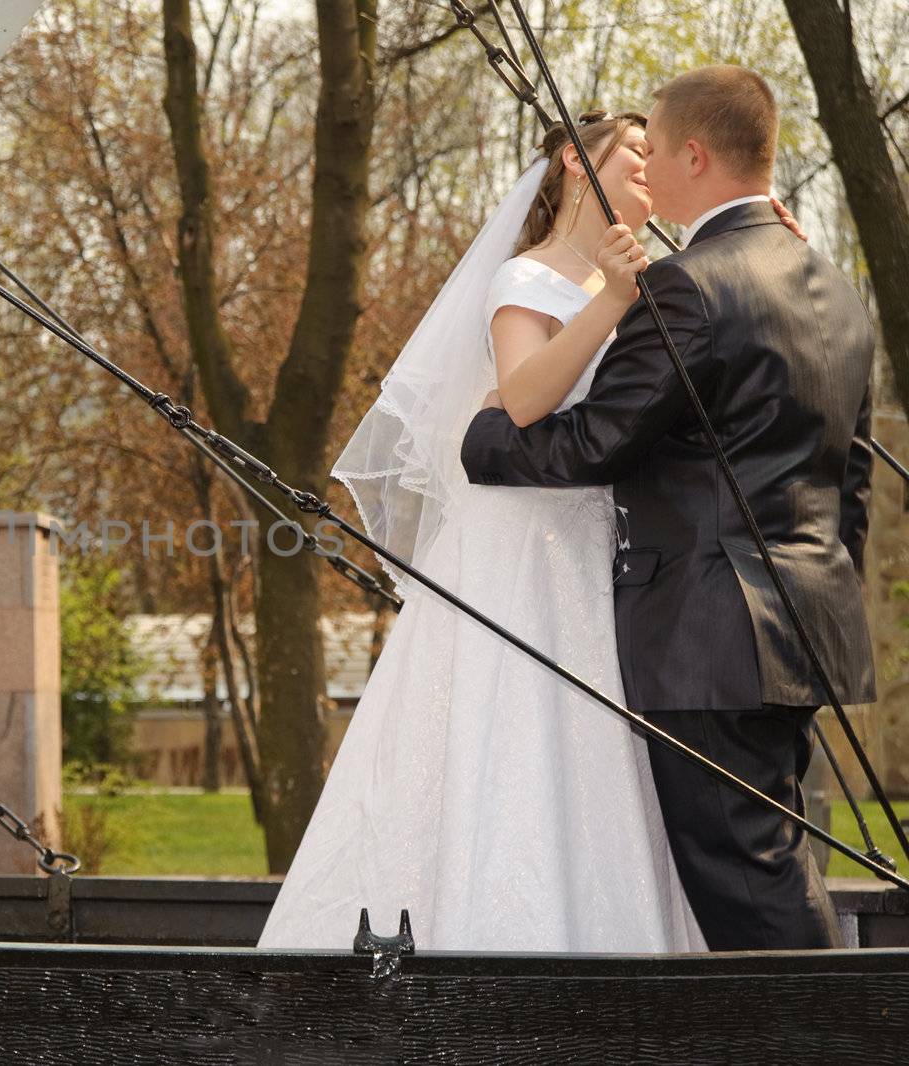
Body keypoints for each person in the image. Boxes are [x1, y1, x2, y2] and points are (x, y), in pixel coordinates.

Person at [257, 109, 713, 952]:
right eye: (636, 154)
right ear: (579, 168)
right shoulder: (525, 280)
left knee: (594, 754)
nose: (652, 167)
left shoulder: (649, 280)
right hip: (515, 554)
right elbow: (526, 395)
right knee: (504, 734)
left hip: (595, 551)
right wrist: (611, 298)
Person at [459, 65, 874, 951]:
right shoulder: (838, 290)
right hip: (807, 622)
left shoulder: (689, 284)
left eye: (661, 154)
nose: (652, 176)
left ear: (695, 152)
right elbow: (853, 483)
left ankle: (832, 1040)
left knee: (750, 887)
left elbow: (599, 441)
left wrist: (485, 443)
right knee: (780, 860)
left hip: (708, 635)